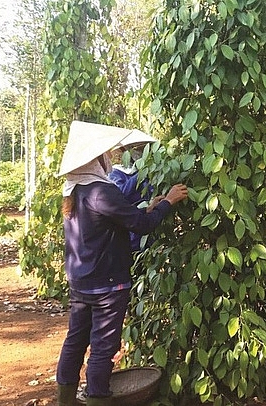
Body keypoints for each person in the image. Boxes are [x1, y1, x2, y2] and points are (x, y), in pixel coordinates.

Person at [55, 120, 189, 406]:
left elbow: (116, 221)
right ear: (96, 159)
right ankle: (97, 399)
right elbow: (141, 226)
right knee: (103, 347)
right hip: (107, 284)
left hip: (80, 281)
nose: (110, 159)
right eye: (105, 154)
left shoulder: (74, 190)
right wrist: (168, 202)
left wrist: (151, 207)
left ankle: (64, 401)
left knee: (75, 341)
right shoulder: (101, 191)